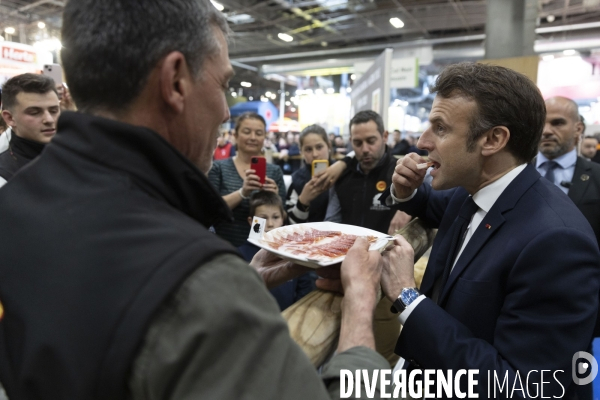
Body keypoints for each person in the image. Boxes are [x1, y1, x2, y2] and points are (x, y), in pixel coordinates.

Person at [0, 1, 390, 399]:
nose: (224, 112)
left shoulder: (15, 201)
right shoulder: (197, 281)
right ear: (175, 81)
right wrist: (359, 310)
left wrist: (239, 286)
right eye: (222, 84)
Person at [382, 62, 599, 397]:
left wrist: (406, 296)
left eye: (440, 128)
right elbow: (426, 203)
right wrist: (405, 188)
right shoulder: (471, 193)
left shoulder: (557, 242)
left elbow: (519, 386)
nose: (423, 141)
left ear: (494, 139)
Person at [325, 110, 410, 366]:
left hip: (386, 284)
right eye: (357, 143)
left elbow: (435, 203)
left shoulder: (403, 173)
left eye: (371, 141)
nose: (365, 149)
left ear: (384, 136)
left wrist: (410, 205)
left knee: (384, 357)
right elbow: (331, 225)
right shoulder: (343, 177)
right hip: (343, 280)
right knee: (345, 359)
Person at [208, 112, 286, 247]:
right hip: (226, 247)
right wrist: (242, 193)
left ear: (264, 137)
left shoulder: (275, 172)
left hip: (265, 249)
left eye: (259, 133)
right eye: (247, 131)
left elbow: (283, 215)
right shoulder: (218, 168)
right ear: (235, 136)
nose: (253, 137)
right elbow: (210, 209)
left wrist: (275, 199)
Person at [239, 191, 316, 310]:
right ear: (251, 221)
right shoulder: (239, 255)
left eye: (275, 217)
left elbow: (304, 289)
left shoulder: (294, 253)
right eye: (263, 218)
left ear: (283, 219)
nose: (270, 224)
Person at [0, 73, 60, 187]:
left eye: (54, 111)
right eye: (34, 112)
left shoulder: (75, 158)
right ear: (10, 118)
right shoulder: (4, 178)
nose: (49, 120)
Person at [286, 124, 334, 224]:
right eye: (308, 149)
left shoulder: (343, 172)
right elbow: (291, 224)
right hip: (309, 236)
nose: (315, 154)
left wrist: (341, 165)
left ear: (328, 146)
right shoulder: (296, 180)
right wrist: (303, 200)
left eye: (319, 147)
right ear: (301, 151)